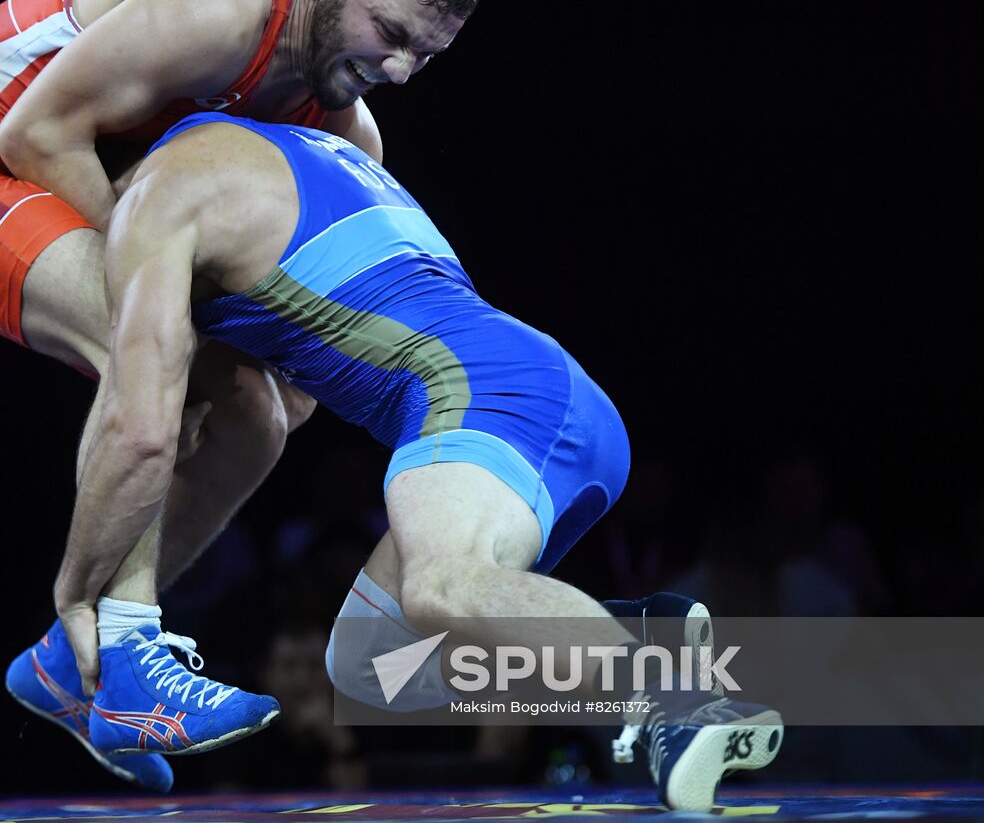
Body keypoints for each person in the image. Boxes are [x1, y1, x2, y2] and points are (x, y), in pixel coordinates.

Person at [0, 0, 484, 792]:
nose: (396, 70)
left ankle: (70, 664)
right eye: (389, 34)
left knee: (260, 419)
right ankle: (123, 645)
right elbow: (40, 134)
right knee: (154, 345)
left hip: (52, 182)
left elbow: (300, 375)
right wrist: (172, 314)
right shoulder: (219, 0)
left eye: (422, 57)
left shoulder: (350, 134)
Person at [56, 112, 784, 811]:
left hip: (490, 395)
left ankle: (673, 696)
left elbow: (142, 422)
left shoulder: (168, 190)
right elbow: (296, 395)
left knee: (438, 586)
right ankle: (637, 629)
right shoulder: (299, 163)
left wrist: (77, 593)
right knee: (372, 669)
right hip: (538, 390)